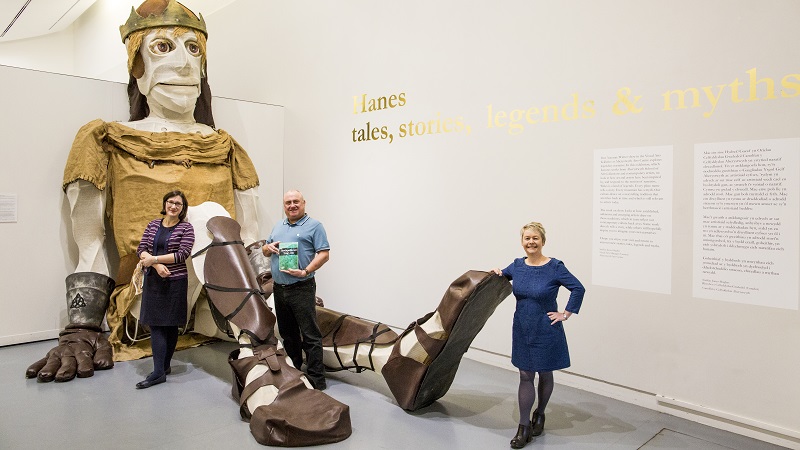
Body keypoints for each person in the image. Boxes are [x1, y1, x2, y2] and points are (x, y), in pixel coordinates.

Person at [491, 221, 585, 448]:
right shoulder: (517, 265)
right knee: (525, 375)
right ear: (522, 241)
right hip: (523, 327)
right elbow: (502, 275)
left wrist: (566, 313)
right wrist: (497, 273)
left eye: (535, 238)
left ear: (543, 241)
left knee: (544, 372)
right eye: (527, 238)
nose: (531, 242)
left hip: (546, 328)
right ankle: (524, 428)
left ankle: (540, 414)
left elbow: (578, 288)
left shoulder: (555, 267)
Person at [262, 190, 330, 390]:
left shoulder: (315, 226)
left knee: (310, 334)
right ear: (284, 206)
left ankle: (317, 379)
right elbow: (265, 249)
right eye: (287, 202)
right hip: (279, 288)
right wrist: (269, 248)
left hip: (302, 287)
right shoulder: (278, 225)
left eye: (295, 202)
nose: (292, 205)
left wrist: (306, 271)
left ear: (304, 203)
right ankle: (294, 372)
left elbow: (324, 254)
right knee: (288, 333)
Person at [135, 190, 194, 388]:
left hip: (175, 282)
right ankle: (159, 371)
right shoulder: (153, 225)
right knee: (156, 324)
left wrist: (155, 259)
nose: (174, 206)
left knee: (170, 325)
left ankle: (164, 366)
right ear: (165, 203)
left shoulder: (186, 228)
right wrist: (155, 265)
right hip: (154, 281)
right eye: (171, 202)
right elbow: (141, 248)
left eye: (178, 204)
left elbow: (182, 254)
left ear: (182, 208)